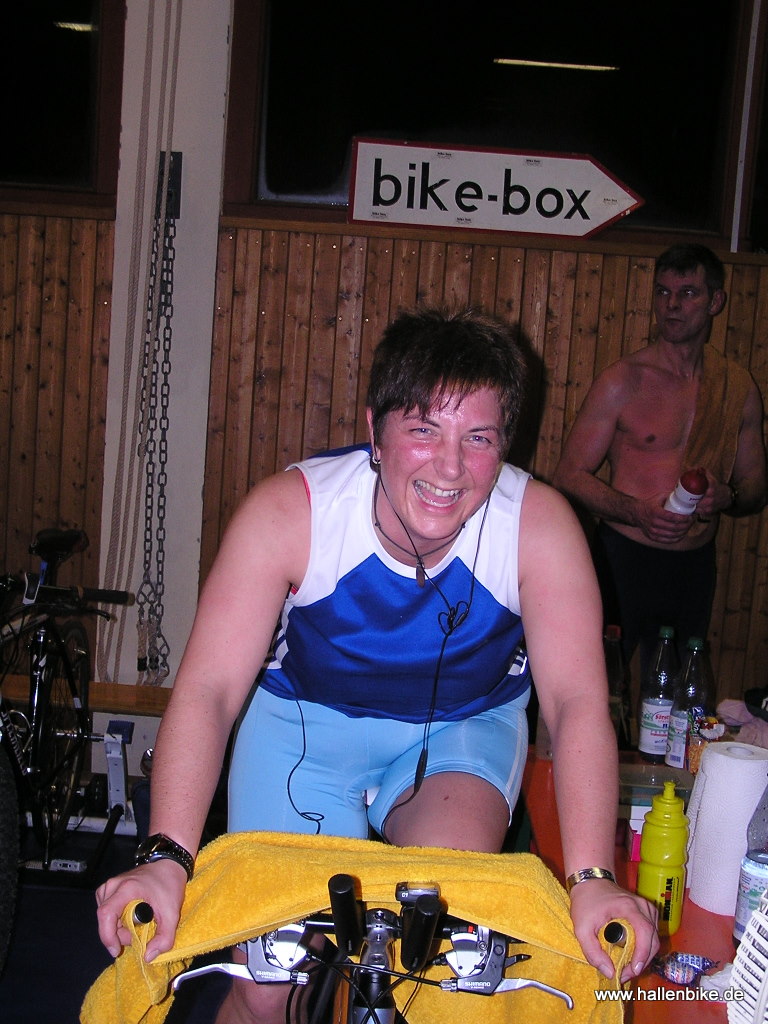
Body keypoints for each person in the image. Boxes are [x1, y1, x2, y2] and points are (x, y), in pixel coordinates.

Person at [96, 307, 659, 1022]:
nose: (450, 467)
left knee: (438, 956)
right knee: (270, 985)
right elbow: (208, 690)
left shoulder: (539, 526)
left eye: (478, 438)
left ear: (505, 446)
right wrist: (167, 856)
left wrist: (592, 878)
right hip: (305, 728)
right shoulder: (291, 513)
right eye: (423, 429)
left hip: (460, 731)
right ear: (375, 430)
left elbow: (577, 703)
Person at [553, 244, 767, 677]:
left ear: (715, 301)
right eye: (663, 292)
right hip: (623, 559)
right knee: (598, 683)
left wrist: (727, 496)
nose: (671, 305)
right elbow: (568, 475)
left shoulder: (736, 387)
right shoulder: (624, 380)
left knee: (676, 694)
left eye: (687, 293)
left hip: (692, 567)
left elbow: (756, 489)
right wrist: (637, 512)